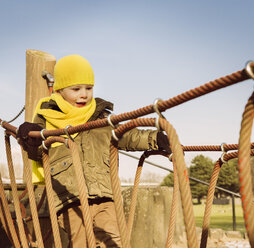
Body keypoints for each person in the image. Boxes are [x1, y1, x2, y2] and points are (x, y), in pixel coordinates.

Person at [17, 54, 171, 248]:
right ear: (60, 90)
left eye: (88, 88)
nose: (84, 94)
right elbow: (38, 151)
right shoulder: (48, 116)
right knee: (81, 241)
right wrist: (29, 136)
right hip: (68, 198)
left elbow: (127, 135)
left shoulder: (100, 118)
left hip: (104, 196)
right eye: (76, 89)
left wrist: (154, 138)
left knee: (115, 239)